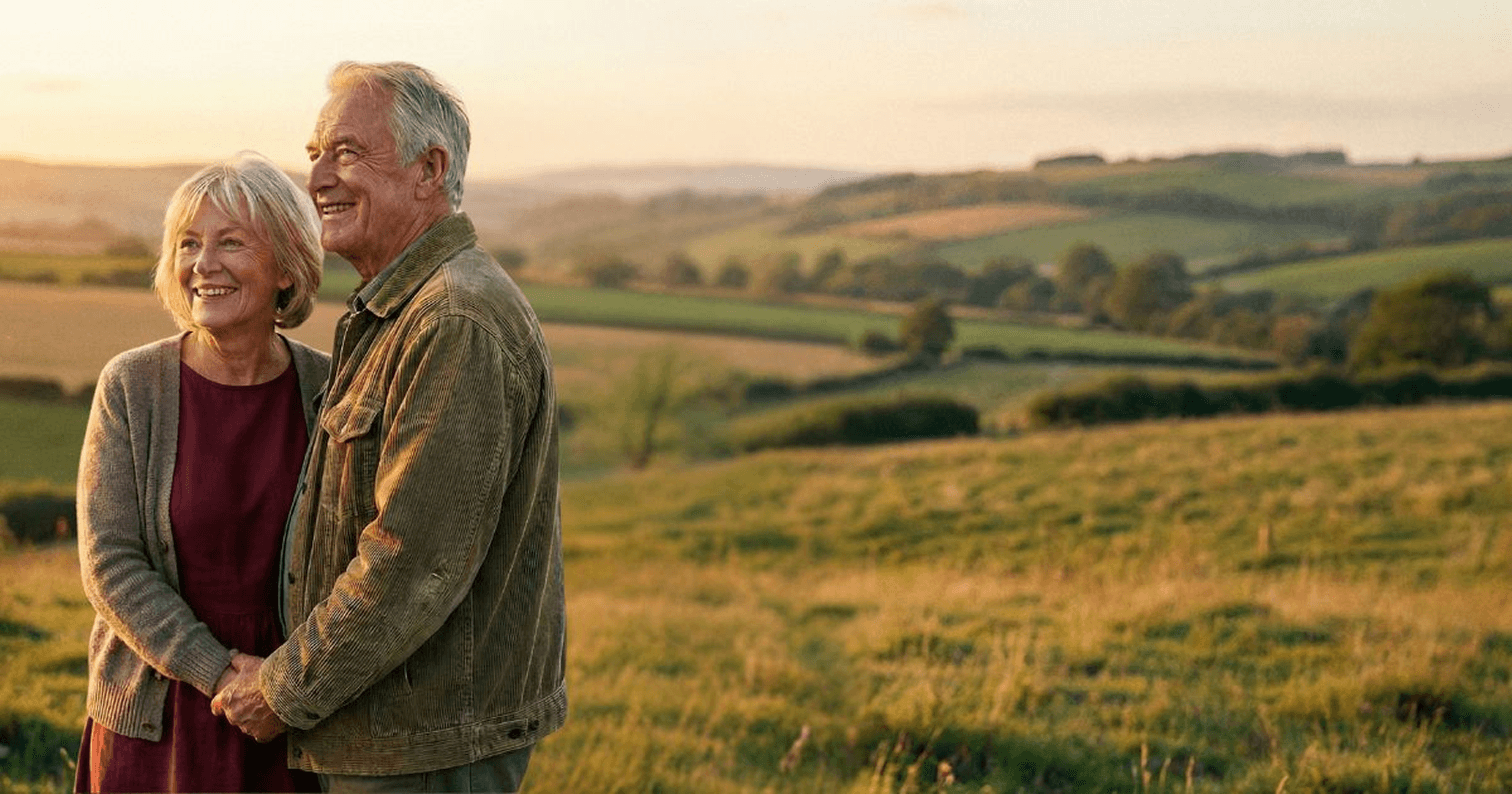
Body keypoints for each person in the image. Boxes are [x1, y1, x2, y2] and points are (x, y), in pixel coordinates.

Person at [212, 61, 566, 792]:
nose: (317, 180)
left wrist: (282, 688)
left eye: (346, 152)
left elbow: (413, 560)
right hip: (398, 736)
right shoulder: (402, 310)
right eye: (315, 155)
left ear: (427, 170)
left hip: (426, 750)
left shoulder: (451, 319)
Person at [74, 153, 328, 793]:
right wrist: (219, 672)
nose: (203, 264)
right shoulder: (132, 385)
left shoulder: (332, 388)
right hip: (158, 714)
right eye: (188, 243)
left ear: (287, 266)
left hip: (289, 709)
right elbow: (110, 561)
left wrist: (283, 687)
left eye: (231, 242)